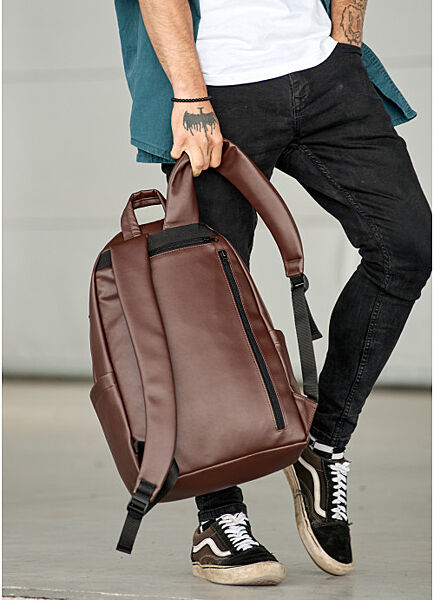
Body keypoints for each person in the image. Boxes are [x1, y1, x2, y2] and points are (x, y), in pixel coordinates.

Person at [114, 0, 432, 586]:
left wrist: (345, 44)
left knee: (405, 247)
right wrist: (189, 95)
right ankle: (218, 517)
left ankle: (323, 443)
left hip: (324, 70)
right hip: (214, 88)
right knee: (205, 304)